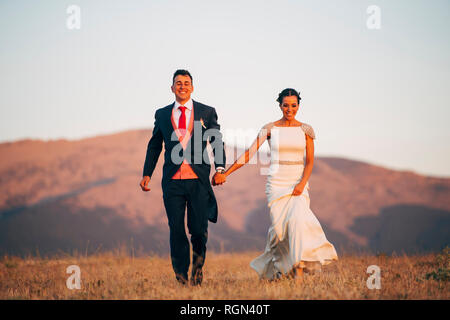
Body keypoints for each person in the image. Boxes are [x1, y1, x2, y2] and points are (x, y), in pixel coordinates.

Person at [222, 88, 338, 282]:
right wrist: (226, 173)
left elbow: (310, 161)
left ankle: (298, 272)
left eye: (293, 105)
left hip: (297, 183)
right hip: (276, 183)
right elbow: (249, 154)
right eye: (286, 105)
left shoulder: (306, 130)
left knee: (298, 223)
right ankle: (279, 268)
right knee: (279, 231)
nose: (289, 109)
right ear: (280, 105)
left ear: (298, 106)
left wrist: (302, 183)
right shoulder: (269, 128)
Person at [139, 69, 227, 286]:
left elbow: (216, 140)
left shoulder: (206, 112)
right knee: (176, 229)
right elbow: (154, 146)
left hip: (198, 181)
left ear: (192, 87)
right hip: (172, 182)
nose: (182, 86)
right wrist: (147, 173)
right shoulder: (161, 114)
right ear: (172, 88)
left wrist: (221, 168)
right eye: (178, 83)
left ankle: (197, 271)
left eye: (186, 83)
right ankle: (181, 277)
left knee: (198, 231)